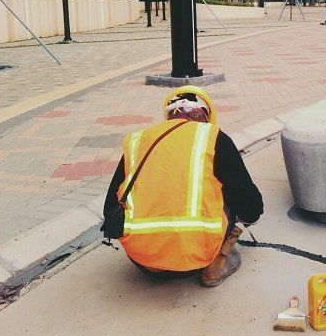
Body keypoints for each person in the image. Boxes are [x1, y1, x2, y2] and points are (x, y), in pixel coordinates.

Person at [103, 85, 263, 286]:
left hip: (144, 261)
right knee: (229, 191)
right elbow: (251, 206)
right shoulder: (212, 137)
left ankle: (160, 257)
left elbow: (109, 207)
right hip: (196, 259)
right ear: (204, 115)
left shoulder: (138, 140)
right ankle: (216, 263)